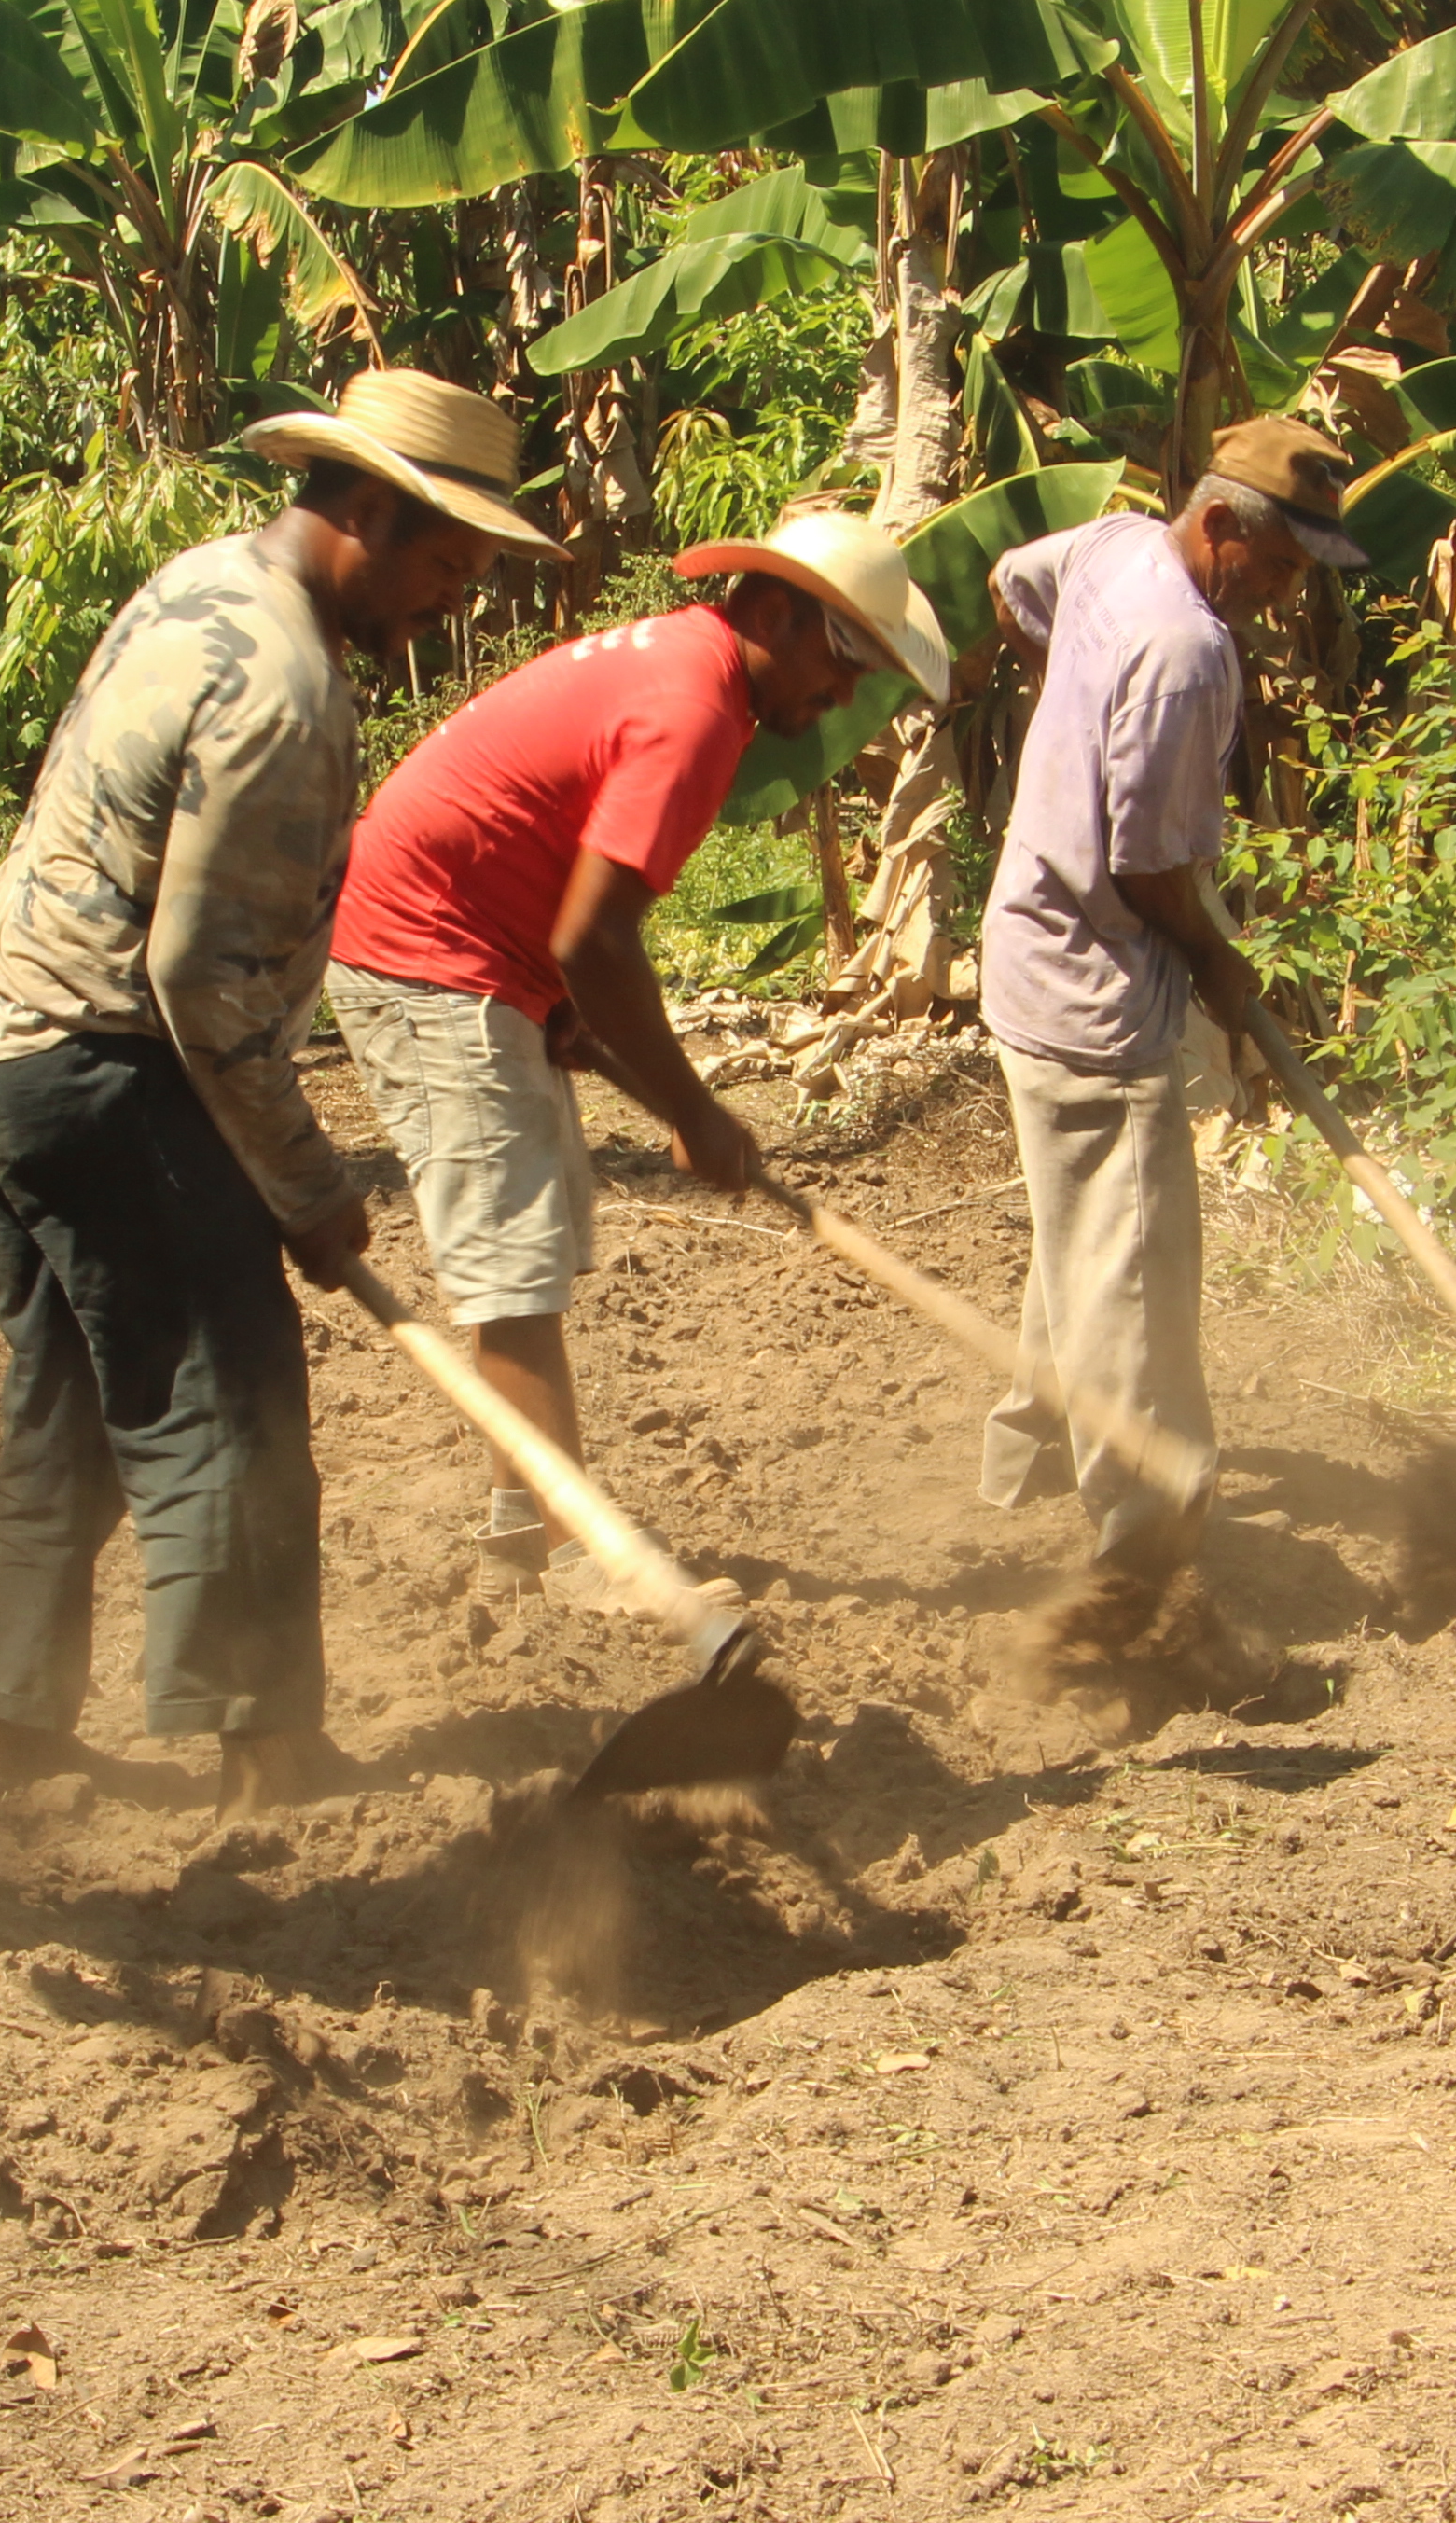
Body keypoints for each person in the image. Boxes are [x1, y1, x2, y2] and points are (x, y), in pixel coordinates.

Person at [0, 369, 557, 1812]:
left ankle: (5, 1729)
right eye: (448, 561)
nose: (450, 600)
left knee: (75, 1392)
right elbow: (202, 982)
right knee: (232, 1394)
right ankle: (269, 1744)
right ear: (370, 514)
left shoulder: (201, 583)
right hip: (101, 1060)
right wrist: (310, 1189)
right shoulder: (285, 685)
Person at [326, 511, 950, 1604]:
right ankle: (577, 1553)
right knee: (514, 1265)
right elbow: (598, 937)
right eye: (844, 655)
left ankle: (524, 1533)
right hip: (429, 950)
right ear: (768, 611)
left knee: (539, 1238)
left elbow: (570, 902)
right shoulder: (694, 708)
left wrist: (565, 1008)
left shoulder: (689, 668)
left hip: (478, 947)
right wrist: (692, 1106)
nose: (845, 695)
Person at [973, 417, 1363, 1646]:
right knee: (1131, 1262)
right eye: (1285, 569)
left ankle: (1024, 1450)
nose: (1290, 599)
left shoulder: (1110, 548)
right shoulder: (1188, 648)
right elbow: (1147, 867)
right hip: (1092, 985)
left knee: (1080, 1221)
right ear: (1221, 529)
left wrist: (1070, 722)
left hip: (1027, 951)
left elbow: (1007, 584)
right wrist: (1216, 957)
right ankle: (1143, 1556)